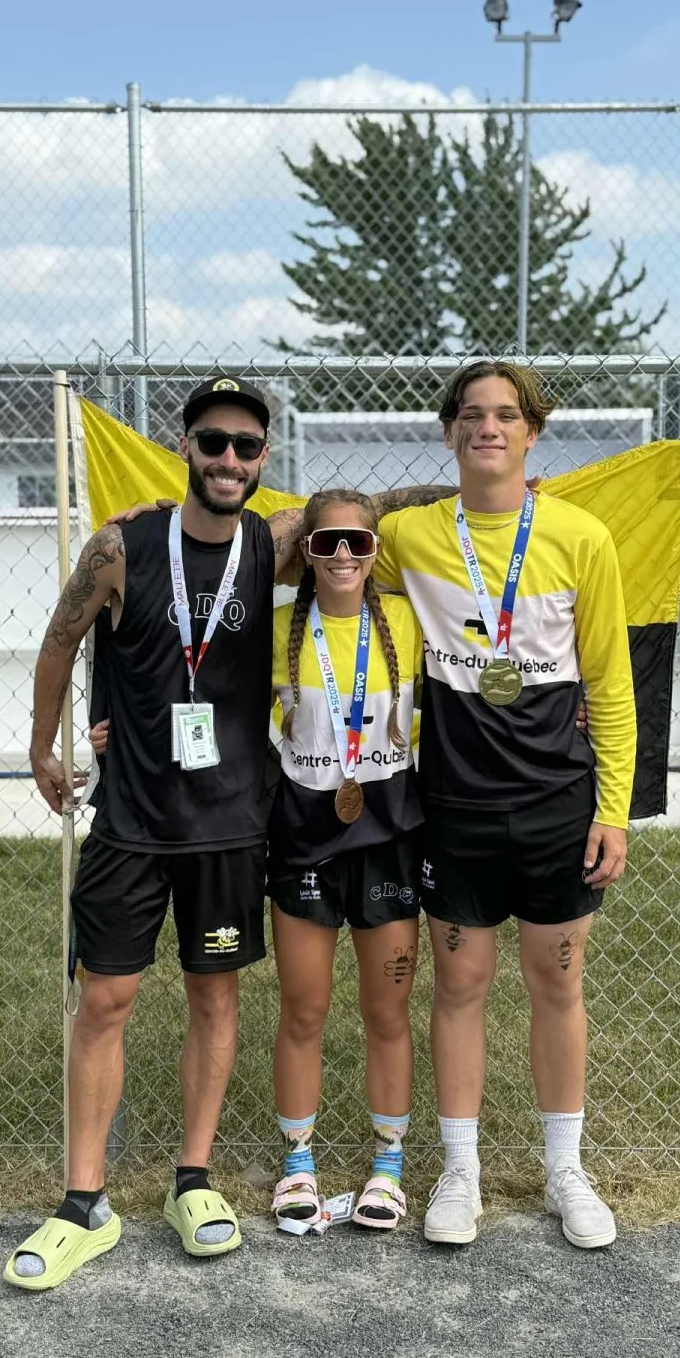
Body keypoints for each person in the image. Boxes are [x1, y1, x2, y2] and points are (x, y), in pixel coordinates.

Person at [8, 375, 449, 1289]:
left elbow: (364, 514)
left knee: (215, 1001)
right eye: (213, 441)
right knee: (104, 1002)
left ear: (262, 459)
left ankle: (193, 1181)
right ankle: (83, 1203)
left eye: (247, 447)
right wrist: (44, 747)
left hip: (230, 827)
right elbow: (59, 642)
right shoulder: (121, 546)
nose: (229, 459)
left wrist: (489, 490)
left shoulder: (270, 544)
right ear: (187, 447)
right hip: (132, 820)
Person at [372, 360, 637, 1251]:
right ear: (451, 431)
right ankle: (462, 1172)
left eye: (507, 415)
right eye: (473, 414)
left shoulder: (581, 536)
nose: (489, 427)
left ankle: (566, 1171)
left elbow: (611, 684)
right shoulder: (408, 537)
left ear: (533, 432)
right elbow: (319, 543)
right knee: (460, 985)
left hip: (558, 802)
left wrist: (612, 809)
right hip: (454, 805)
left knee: (557, 981)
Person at [267, 490, 423, 1232]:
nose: (341, 556)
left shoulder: (407, 621)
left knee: (386, 1011)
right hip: (303, 837)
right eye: (325, 542)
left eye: (357, 543)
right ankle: (298, 1164)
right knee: (304, 1009)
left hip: (388, 836)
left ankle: (387, 1168)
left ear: (375, 553)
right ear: (304, 551)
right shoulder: (275, 629)